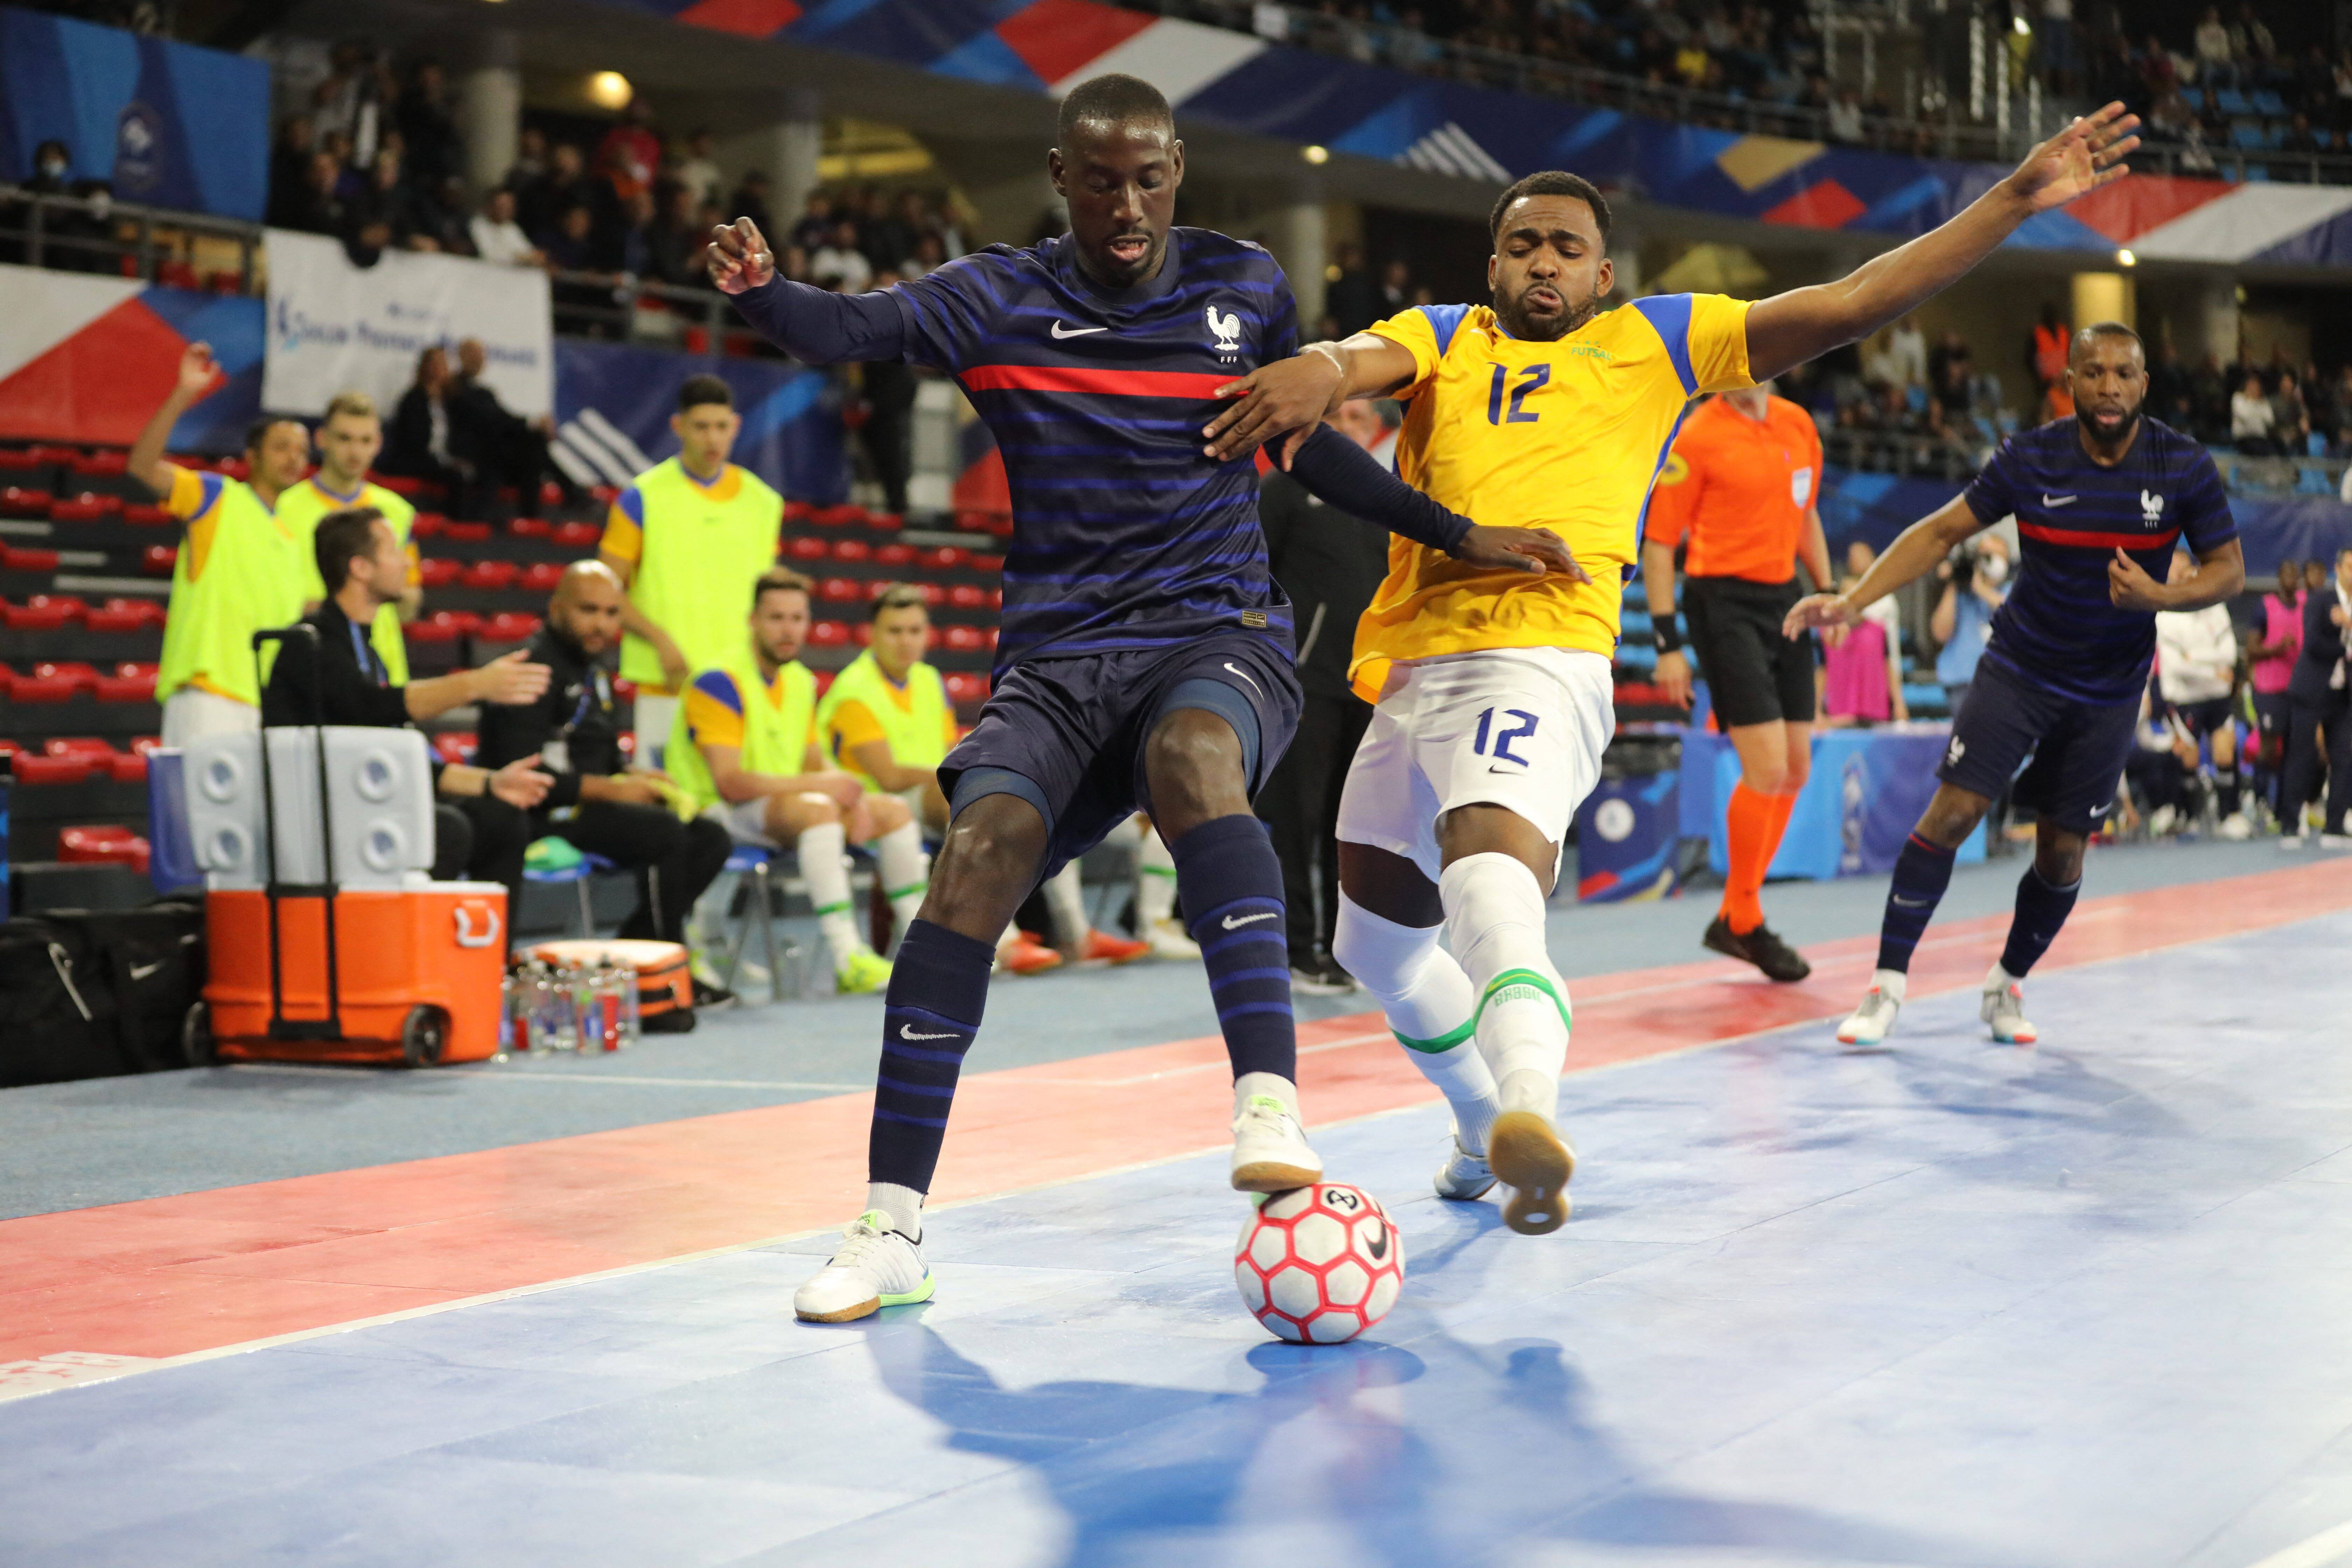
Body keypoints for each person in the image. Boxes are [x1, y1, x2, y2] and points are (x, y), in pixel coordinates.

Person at [707, 73, 1573, 1322]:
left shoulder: (1242, 287)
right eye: (1101, 179)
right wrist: (760, 293)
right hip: (1056, 656)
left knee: (1189, 763)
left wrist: (1453, 531)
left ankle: (1265, 1100)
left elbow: (1303, 447)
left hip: (1212, 632)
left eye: (1149, 177)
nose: (1127, 204)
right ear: (1060, 178)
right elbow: (847, 333)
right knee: (973, 859)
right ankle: (889, 1227)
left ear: (1178, 174)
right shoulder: (993, 296)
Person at [1208, 104, 2143, 1232]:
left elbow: (1849, 305)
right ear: (1491, 262)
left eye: (1564, 247)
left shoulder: (1652, 340)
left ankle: (1532, 1108)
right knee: (1377, 946)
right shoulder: (1445, 335)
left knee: (1487, 879)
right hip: (1409, 672)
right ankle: (1477, 1124)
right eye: (1520, 244)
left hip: (1541, 655)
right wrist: (1315, 365)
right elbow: (1358, 357)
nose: (1541, 261)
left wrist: (2011, 201)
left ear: (1601, 273)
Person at [1786, 321, 2242, 1049]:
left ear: (2144, 384)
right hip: (2021, 667)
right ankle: (1886, 985)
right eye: (2093, 373)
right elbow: (1939, 533)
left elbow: (2228, 569)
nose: (2109, 388)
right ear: (2069, 382)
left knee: (2063, 853)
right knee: (1955, 811)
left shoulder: (2182, 465)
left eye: (2124, 374)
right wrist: (1851, 599)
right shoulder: (2030, 459)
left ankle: (2007, 982)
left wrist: (2158, 595)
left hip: (2110, 688)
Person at [814, 585, 1135, 969]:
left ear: (928, 634)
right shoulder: (855, 690)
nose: (905, 641)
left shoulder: (930, 680)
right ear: (872, 634)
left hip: (931, 800)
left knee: (1042, 797)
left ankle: (1078, 934)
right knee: (974, 796)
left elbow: (952, 747)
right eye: (894, 631)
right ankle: (1006, 938)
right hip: (878, 808)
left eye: (914, 631)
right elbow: (889, 776)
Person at [262, 507, 554, 917]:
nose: (406, 561)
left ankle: (488, 969)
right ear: (360, 568)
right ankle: (402, 956)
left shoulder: (367, 647)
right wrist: (475, 684)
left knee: (501, 818)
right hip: (320, 817)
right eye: (394, 550)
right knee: (445, 829)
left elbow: (394, 754)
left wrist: (492, 783)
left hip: (369, 799)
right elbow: (369, 707)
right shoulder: (310, 642)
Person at [1640, 379, 1833, 980]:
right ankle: (1745, 918)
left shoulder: (1798, 423)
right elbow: (1660, 544)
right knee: (1768, 767)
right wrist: (1669, 645)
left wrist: (1829, 593)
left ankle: (1734, 917)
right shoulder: (1696, 436)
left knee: (1798, 766)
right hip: (1721, 602)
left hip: (1787, 599)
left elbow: (1806, 515)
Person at [667, 570, 923, 990]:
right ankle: (849, 958)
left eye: (798, 619)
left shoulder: (801, 681)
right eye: (776, 618)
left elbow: (812, 764)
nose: (789, 630)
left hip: (781, 809)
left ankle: (923, 948)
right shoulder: (719, 681)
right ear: (753, 620)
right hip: (711, 812)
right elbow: (729, 783)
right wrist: (824, 790)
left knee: (892, 812)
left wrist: (851, 798)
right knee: (819, 809)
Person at [474, 561, 732, 945]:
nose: (602, 624)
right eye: (588, 610)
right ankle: (665, 955)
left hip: (590, 808)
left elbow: (605, 760)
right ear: (558, 608)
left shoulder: (595, 671)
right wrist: (613, 790)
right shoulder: (529, 671)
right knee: (662, 832)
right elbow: (518, 771)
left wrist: (634, 775)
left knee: (712, 837)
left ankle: (642, 949)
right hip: (540, 815)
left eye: (612, 613)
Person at [1254, 398, 1394, 992]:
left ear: (1372, 429)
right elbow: (1253, 577)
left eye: (1357, 418)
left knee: (1353, 827)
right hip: (1301, 682)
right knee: (1295, 820)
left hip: (1368, 684)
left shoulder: (1386, 499)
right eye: (1334, 417)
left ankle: (1345, 951)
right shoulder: (1285, 489)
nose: (1345, 427)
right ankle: (1295, 948)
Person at [131, 343, 311, 748]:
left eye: (301, 451)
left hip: (256, 702)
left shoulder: (290, 539)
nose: (293, 459)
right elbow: (142, 466)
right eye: (282, 447)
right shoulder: (217, 496)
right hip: (206, 693)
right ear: (252, 455)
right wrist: (184, 392)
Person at [596, 375, 784, 763]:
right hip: (667, 680)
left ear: (735, 426)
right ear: (678, 426)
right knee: (667, 801)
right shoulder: (642, 497)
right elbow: (603, 589)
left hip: (739, 683)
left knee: (735, 800)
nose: (712, 438)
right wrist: (660, 641)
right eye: (701, 427)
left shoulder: (764, 503)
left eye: (721, 427)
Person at [276, 392, 420, 684]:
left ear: (378, 444)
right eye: (345, 438)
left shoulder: (397, 512)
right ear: (322, 439)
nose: (355, 451)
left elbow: (411, 602)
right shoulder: (284, 507)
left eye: (365, 441)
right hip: (307, 664)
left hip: (382, 671)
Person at [2154, 547, 2249, 836]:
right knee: (2189, 759)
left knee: (2224, 753)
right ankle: (2189, 815)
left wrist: (2196, 659)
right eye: (2175, 569)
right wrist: (2212, 667)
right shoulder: (2165, 615)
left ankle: (2228, 816)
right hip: (2185, 699)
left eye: (2186, 569)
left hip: (2218, 697)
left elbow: (2229, 653)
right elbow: (2177, 666)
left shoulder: (2215, 608)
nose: (2183, 575)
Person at [2278, 545, 2352, 848]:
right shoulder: (2321, 600)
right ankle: (2290, 827)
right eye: (2351, 566)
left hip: (2343, 695)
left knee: (2346, 758)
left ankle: (2334, 827)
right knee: (2303, 756)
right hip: (2310, 691)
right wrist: (2345, 647)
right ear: (2339, 569)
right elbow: (2313, 644)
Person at [448, 337, 571, 518]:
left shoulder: (483, 392)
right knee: (533, 446)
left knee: (534, 446)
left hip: (496, 455)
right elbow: (493, 421)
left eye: (482, 355)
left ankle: (539, 510)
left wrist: (534, 425)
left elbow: (503, 419)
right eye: (475, 355)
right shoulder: (456, 389)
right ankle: (559, 496)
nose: (480, 360)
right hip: (481, 457)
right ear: (462, 357)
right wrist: (533, 424)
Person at [1820, 540, 1908, 728]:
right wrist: (1816, 710)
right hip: (1839, 713)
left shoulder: (1879, 626)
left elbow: (1889, 664)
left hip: (1875, 710)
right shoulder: (1828, 634)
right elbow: (1822, 670)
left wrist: (1898, 702)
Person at [2247, 557, 2305, 823]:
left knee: (2294, 750)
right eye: (2287, 574)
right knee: (2269, 747)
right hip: (2269, 688)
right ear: (2279, 578)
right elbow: (2252, 649)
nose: (2291, 579)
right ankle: (2259, 799)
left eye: (2296, 575)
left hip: (2298, 689)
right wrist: (2278, 648)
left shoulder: (2307, 605)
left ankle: (2286, 809)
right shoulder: (2266, 607)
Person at [382, 345, 472, 507]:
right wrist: (442, 461)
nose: (440, 368)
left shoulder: (450, 401)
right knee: (455, 476)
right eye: (435, 364)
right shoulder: (413, 400)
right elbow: (412, 441)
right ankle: (452, 522)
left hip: (442, 460)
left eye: (443, 364)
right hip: (416, 460)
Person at [1931, 532, 2011, 712]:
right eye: (1982, 555)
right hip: (1964, 683)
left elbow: (2015, 614)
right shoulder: (1961, 594)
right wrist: (1955, 580)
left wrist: (1981, 589)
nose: (1986, 562)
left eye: (1993, 556)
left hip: (2006, 683)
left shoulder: (2013, 590)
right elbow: (1940, 634)